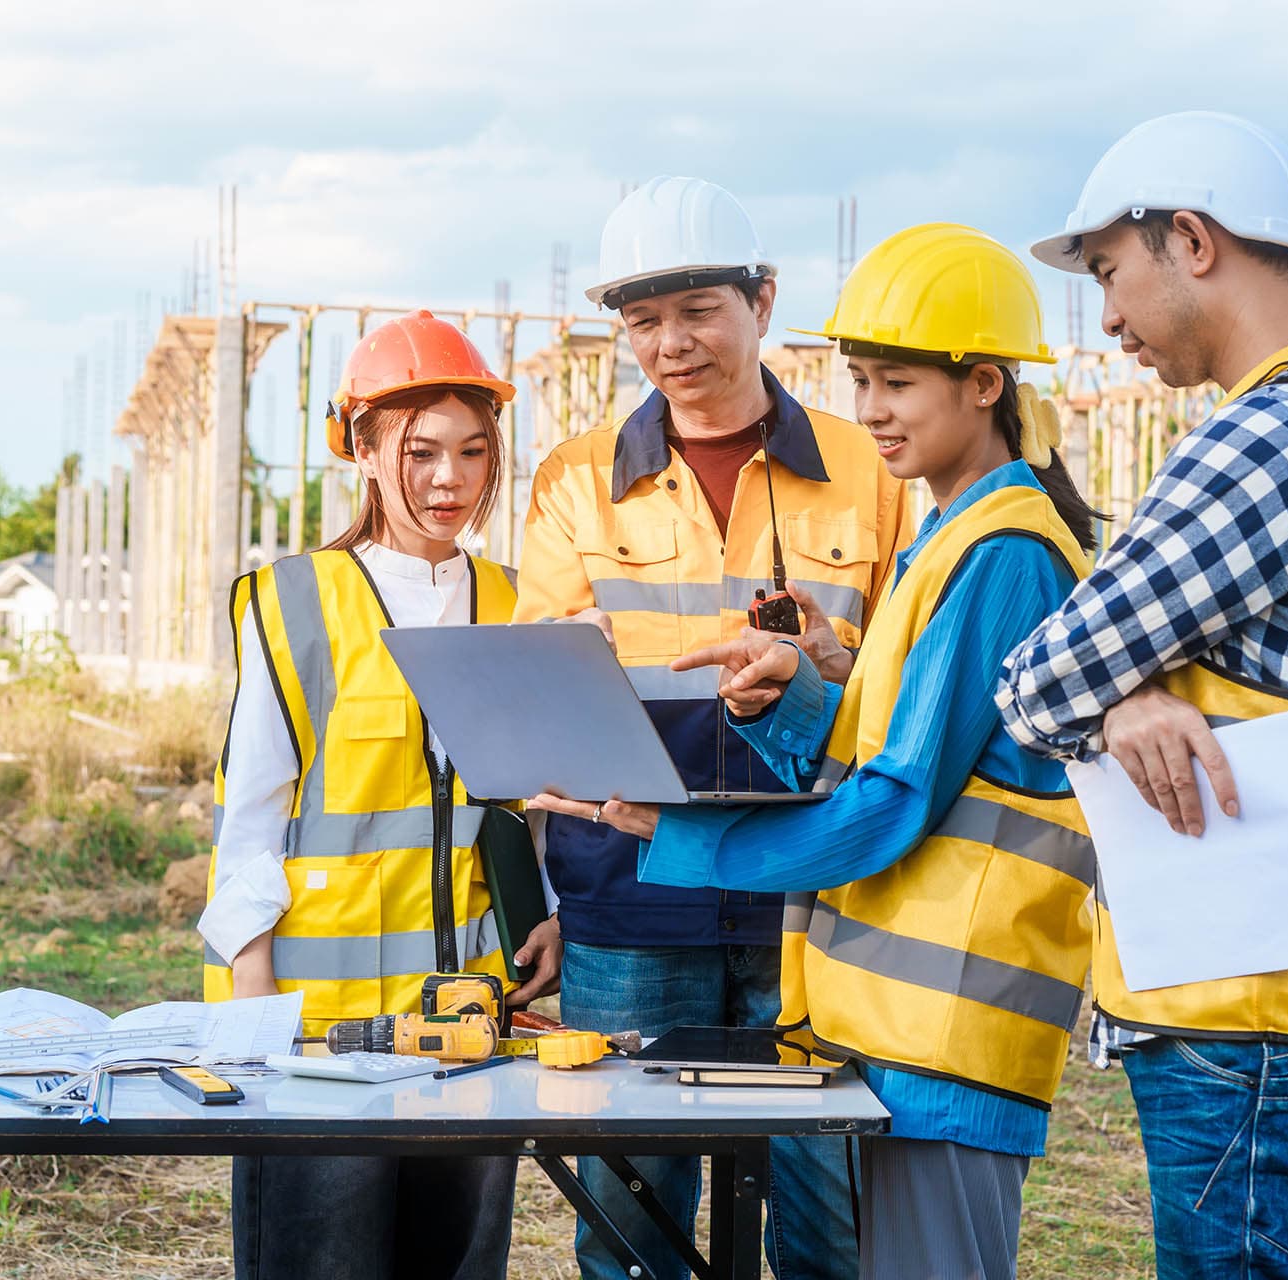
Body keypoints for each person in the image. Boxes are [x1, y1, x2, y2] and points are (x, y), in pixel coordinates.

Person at [535, 223, 1102, 1279]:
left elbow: (893, 798)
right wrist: (798, 691)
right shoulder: (952, 536)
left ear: (985, 384)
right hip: (896, 1015)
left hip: (951, 1024)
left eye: (896, 385)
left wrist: (688, 837)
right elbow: (886, 728)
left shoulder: (1004, 551)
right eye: (861, 381)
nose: (873, 412)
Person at [999, 111, 1288, 1279]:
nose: (1105, 317)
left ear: (1190, 240)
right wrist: (1130, 695)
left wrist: (1100, 694)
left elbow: (1041, 679)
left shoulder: (1277, 432)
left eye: (1109, 273)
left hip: (1259, 1021)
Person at [515, 175, 909, 1280]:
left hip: (815, 897)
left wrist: (826, 659)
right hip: (635, 896)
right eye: (643, 319)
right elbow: (535, 699)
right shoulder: (575, 480)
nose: (670, 342)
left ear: (763, 301)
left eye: (697, 310)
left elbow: (907, 676)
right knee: (632, 1225)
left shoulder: (870, 472)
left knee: (829, 1222)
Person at [199, 310, 553, 1280]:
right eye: (422, 450)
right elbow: (251, 821)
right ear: (359, 448)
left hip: (471, 1023)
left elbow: (529, 801)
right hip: (322, 1031)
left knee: (458, 1264)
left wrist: (555, 915)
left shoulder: (516, 600)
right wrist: (253, 1001)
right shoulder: (294, 600)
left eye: (474, 452)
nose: (451, 479)